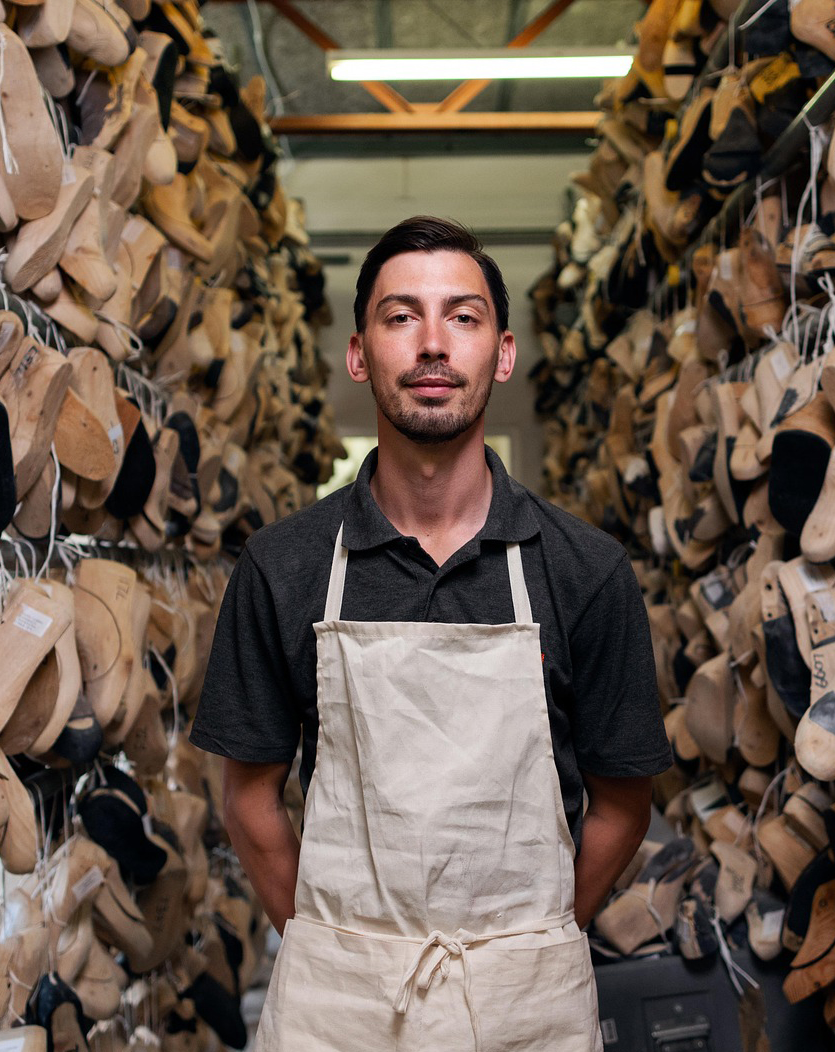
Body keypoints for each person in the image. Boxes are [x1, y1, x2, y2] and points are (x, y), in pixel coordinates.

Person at [190, 216, 671, 1050]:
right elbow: (249, 800)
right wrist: (339, 946)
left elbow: (624, 803)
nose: (433, 345)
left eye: (464, 316)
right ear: (359, 353)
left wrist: (530, 945)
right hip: (335, 1013)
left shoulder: (585, 570)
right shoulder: (285, 566)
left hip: (528, 1011)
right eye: (401, 316)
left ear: (504, 353)